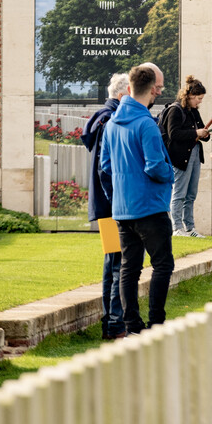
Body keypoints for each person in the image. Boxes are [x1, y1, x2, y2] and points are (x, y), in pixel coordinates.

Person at [99, 61, 178, 333]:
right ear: (153, 91)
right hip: (150, 207)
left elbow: (106, 168)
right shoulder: (146, 124)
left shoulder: (111, 124)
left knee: (129, 270)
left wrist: (116, 196)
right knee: (163, 265)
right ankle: (156, 322)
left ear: (129, 88)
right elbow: (155, 166)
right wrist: (170, 174)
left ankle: (132, 324)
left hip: (122, 209)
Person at [79, 72, 131, 338]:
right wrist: (117, 204)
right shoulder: (110, 120)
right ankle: (114, 324)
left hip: (106, 203)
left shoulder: (101, 117)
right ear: (122, 95)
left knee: (113, 262)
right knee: (118, 264)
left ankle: (111, 322)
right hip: (112, 204)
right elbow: (106, 169)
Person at [162, 76, 212, 237]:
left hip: (194, 155)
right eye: (198, 98)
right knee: (179, 193)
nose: (199, 102)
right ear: (190, 95)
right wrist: (195, 133)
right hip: (180, 158)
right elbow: (174, 133)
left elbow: (201, 132)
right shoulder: (175, 110)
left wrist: (205, 133)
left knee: (191, 194)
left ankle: (189, 227)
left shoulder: (193, 112)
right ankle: (177, 227)